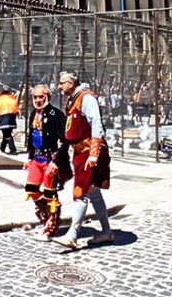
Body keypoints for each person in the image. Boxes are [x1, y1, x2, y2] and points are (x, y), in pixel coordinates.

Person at [52, 72, 113, 250]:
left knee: (81, 193)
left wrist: (94, 154)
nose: (59, 86)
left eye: (62, 83)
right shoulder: (73, 99)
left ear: (71, 83)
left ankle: (72, 235)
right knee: (93, 193)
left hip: (89, 152)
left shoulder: (86, 98)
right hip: (80, 153)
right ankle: (107, 232)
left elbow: (96, 124)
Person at [24, 85, 70, 241]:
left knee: (50, 192)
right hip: (36, 159)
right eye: (35, 97)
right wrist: (29, 158)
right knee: (31, 188)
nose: (37, 100)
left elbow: (65, 140)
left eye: (40, 97)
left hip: (51, 160)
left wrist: (56, 162)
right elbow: (31, 138)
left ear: (47, 97)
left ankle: (52, 223)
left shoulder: (57, 115)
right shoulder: (32, 114)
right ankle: (45, 213)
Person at [0, 88, 20, 155]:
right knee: (6, 134)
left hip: (3, 119)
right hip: (12, 119)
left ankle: (13, 149)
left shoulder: (0, 100)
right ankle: (2, 148)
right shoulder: (12, 99)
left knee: (7, 135)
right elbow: (16, 110)